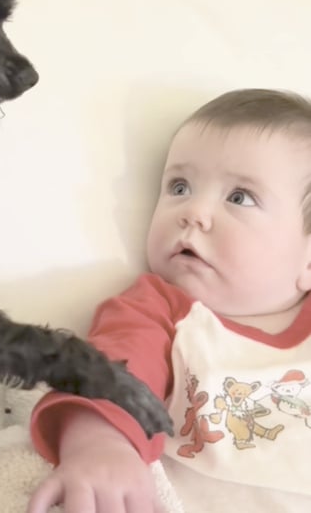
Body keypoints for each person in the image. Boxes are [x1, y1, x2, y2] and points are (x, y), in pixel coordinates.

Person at [27, 88, 311, 513]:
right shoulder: (157, 310)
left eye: (239, 197)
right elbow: (114, 374)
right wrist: (102, 446)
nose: (193, 211)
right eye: (179, 186)